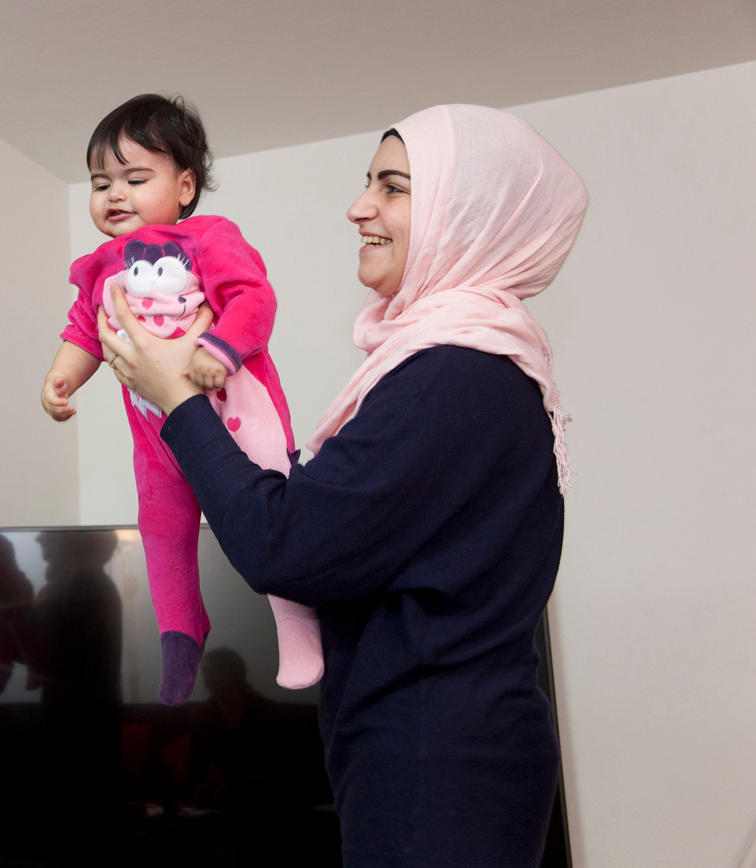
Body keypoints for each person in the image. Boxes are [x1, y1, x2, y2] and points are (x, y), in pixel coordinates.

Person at [99, 104, 587, 865]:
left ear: (468, 214)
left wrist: (180, 404)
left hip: (435, 761)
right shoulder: (468, 364)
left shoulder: (454, 373)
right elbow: (341, 528)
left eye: (392, 187)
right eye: (368, 183)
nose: (359, 206)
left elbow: (283, 545)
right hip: (443, 752)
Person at [41, 93, 322, 706]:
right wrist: (61, 379)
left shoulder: (206, 238)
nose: (114, 195)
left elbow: (255, 301)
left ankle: (298, 628)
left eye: (135, 178)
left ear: (185, 186)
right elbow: (83, 332)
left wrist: (219, 349)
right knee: (162, 532)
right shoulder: (95, 268)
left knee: (277, 517)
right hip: (158, 432)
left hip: (238, 410)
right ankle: (180, 635)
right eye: (99, 183)